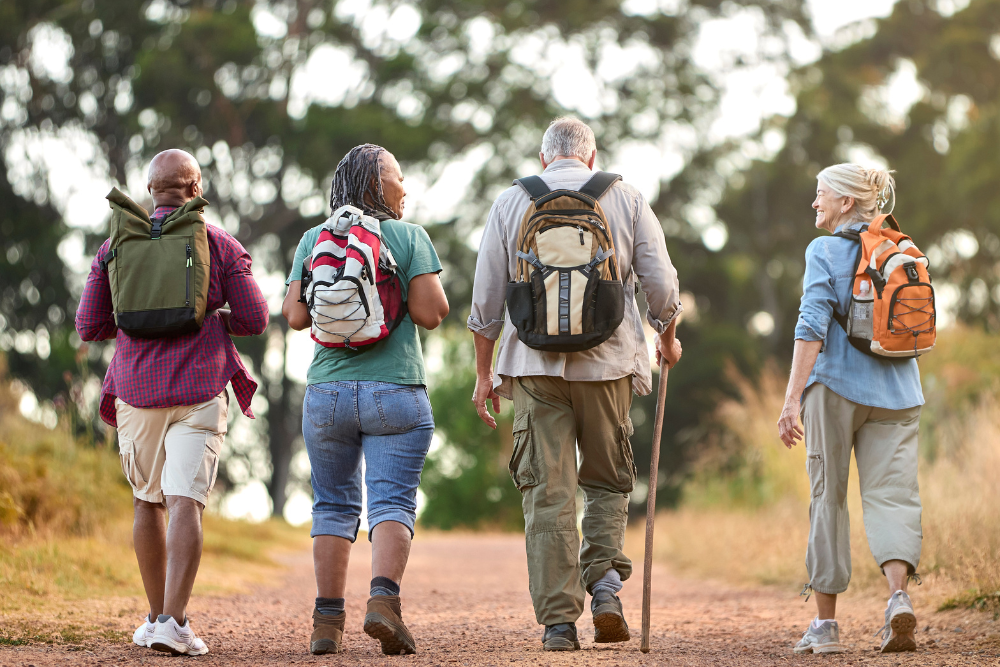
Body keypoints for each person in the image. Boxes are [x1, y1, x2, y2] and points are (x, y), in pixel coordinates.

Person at [468, 117, 683, 651]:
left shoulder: (512, 201)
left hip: (533, 369)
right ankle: (606, 586)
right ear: (592, 157)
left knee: (548, 492)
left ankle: (559, 624)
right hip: (608, 365)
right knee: (609, 481)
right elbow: (662, 283)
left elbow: (486, 298)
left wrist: (483, 374)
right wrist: (667, 336)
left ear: (544, 160)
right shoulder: (625, 196)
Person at [76, 149, 269, 656]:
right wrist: (214, 317)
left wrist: (135, 320)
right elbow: (256, 318)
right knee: (186, 500)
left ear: (150, 191)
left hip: (137, 392)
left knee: (147, 500)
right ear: (196, 189)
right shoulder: (219, 244)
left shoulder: (114, 247)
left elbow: (88, 325)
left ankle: (155, 616)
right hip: (200, 391)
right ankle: (174, 622)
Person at [281, 144, 448, 656]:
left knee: (332, 505)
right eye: (398, 178)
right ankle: (383, 603)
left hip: (327, 393)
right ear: (378, 184)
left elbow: (293, 316)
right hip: (394, 390)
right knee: (392, 502)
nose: (405, 187)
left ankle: (326, 623)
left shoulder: (314, 238)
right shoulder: (409, 236)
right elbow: (432, 313)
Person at [777, 164, 924, 654]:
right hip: (901, 393)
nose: (814, 204)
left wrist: (791, 399)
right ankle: (897, 599)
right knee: (893, 496)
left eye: (820, 196)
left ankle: (825, 628)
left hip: (837, 389)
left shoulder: (823, 250)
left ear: (845, 203)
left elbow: (812, 324)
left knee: (828, 499)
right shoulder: (901, 249)